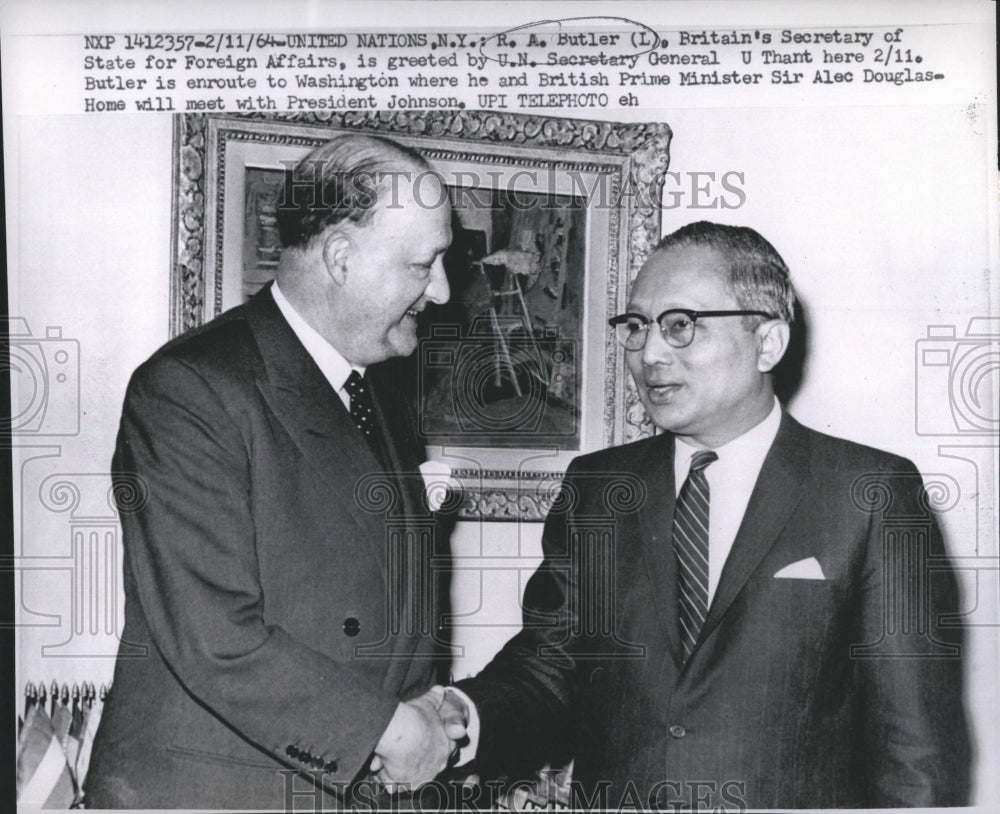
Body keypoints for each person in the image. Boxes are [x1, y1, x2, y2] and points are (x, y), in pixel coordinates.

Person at [451, 221, 971, 809]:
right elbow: (548, 669)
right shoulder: (597, 488)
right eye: (636, 327)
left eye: (680, 326)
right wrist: (460, 716)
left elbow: (915, 752)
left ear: (767, 342)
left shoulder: (871, 494)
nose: (649, 353)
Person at [85, 134, 467, 809]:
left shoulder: (378, 389)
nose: (441, 291)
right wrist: (388, 728)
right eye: (423, 264)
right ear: (341, 259)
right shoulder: (190, 388)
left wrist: (424, 702)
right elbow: (216, 638)